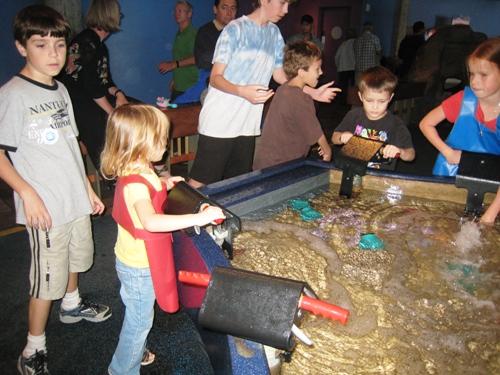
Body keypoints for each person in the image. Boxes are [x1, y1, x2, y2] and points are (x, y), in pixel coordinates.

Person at [0, 5, 109, 374]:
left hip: (74, 198)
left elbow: (71, 146)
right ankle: (34, 347)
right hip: (44, 205)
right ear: (21, 47)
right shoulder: (13, 95)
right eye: (41, 44)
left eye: (59, 45)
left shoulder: (62, 89)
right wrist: (27, 194)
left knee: (78, 257)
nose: (53, 54)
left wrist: (89, 189)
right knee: (47, 277)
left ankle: (72, 304)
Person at [100, 103, 225, 375]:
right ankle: (122, 368)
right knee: (139, 321)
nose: (166, 145)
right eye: (160, 140)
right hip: (139, 267)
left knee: (137, 313)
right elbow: (151, 221)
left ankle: (133, 347)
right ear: (140, 144)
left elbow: (150, 186)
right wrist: (197, 219)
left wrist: (165, 184)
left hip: (134, 259)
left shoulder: (138, 167)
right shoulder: (135, 186)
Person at [188, 0, 339, 188]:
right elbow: (215, 78)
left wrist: (312, 92)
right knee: (201, 182)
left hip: (247, 123)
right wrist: (242, 91)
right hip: (220, 120)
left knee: (238, 183)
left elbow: (280, 74)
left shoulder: (274, 33)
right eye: (282, 3)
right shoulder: (235, 29)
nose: (285, 10)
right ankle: (173, 215)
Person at [59, 0, 127, 175]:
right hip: (75, 102)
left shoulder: (99, 44)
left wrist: (119, 94)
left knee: (136, 110)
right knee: (106, 124)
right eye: (117, 14)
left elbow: (105, 81)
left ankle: (152, 169)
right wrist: (112, 113)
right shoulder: (89, 41)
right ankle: (115, 176)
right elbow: (91, 86)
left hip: (88, 97)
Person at [419, 37, 500, 177]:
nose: (474, 81)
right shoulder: (463, 100)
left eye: (484, 75)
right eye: (472, 74)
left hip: (489, 176)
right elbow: (426, 124)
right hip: (452, 172)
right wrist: (448, 152)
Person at [253, 41, 332, 170]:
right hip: (283, 165)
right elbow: (315, 132)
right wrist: (327, 150)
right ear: (301, 72)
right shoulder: (302, 99)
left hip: (266, 161)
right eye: (317, 69)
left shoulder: (283, 89)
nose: (321, 72)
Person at [332, 66, 415, 170]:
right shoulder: (353, 116)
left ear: (390, 98)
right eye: (369, 100)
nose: (375, 107)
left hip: (380, 178)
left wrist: (400, 151)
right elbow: (334, 138)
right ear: (361, 96)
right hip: (352, 172)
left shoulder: (396, 124)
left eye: (381, 101)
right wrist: (342, 137)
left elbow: (411, 154)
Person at [190, 0, 238, 103]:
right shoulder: (205, 32)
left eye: (233, 8)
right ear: (215, 10)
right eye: (224, 8)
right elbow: (208, 64)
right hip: (213, 88)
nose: (229, 13)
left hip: (237, 88)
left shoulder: (240, 32)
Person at [158, 0, 199, 101]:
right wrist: (175, 79)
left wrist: (173, 65)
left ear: (189, 14)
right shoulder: (180, 34)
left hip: (189, 87)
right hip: (180, 86)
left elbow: (195, 58)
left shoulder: (193, 34)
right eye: (175, 11)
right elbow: (181, 57)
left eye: (180, 11)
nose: (177, 14)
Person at [335, 28, 357, 103]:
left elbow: (337, 56)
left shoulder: (343, 44)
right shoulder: (356, 43)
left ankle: (342, 100)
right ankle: (352, 100)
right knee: (354, 85)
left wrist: (337, 65)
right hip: (354, 67)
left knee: (343, 85)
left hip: (343, 67)